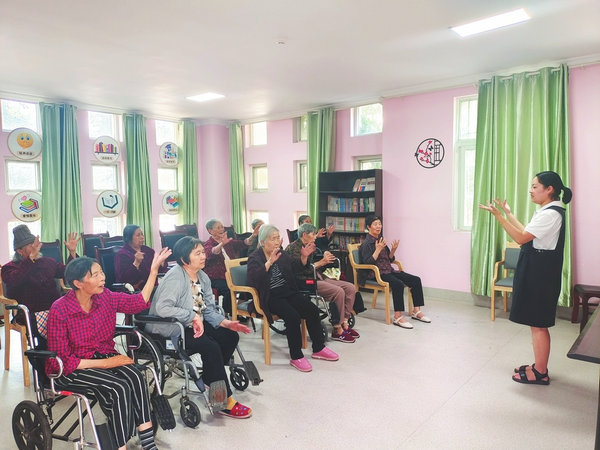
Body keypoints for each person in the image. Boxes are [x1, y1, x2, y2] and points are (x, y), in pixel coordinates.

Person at [46, 248, 171, 450]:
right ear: (78, 283)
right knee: (117, 388)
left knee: (136, 377)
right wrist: (107, 363)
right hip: (72, 368)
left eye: (101, 273)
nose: (102, 278)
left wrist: (153, 271)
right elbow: (61, 360)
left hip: (103, 355)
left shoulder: (105, 297)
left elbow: (138, 302)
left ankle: (148, 443)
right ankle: (120, 446)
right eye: (95, 275)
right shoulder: (60, 309)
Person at [479, 171, 572, 385]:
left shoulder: (550, 214)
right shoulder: (548, 211)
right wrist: (508, 214)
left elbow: (521, 238)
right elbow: (528, 233)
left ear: (549, 189)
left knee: (538, 324)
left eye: (535, 186)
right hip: (539, 271)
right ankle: (539, 366)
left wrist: (499, 217)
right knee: (535, 323)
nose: (530, 190)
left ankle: (540, 373)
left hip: (541, 274)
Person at [147, 236, 253, 418]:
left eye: (203, 252)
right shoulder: (175, 277)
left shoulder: (203, 277)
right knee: (210, 347)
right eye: (197, 253)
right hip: (172, 328)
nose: (203, 256)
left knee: (230, 337)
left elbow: (208, 309)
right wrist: (192, 316)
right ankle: (222, 400)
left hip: (193, 323)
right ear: (184, 259)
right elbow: (162, 308)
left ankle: (210, 378)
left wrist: (226, 323)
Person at [247, 224, 339, 372]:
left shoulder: (281, 253)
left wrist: (303, 257)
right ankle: (296, 356)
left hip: (286, 291)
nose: (277, 242)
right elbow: (254, 279)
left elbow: (295, 267)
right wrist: (269, 262)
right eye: (273, 239)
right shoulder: (255, 257)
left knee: (312, 310)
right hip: (269, 296)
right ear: (263, 242)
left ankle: (318, 348)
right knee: (293, 317)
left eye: (278, 238)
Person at [285, 222, 359, 342]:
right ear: (304, 234)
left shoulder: (310, 245)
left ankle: (344, 322)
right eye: (313, 234)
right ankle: (337, 329)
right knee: (338, 291)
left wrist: (325, 254)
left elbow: (318, 258)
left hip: (318, 276)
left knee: (350, 287)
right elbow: (298, 270)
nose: (316, 236)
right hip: (304, 281)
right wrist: (320, 263)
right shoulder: (293, 248)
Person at [359, 215, 430, 329]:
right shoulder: (366, 244)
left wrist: (392, 250)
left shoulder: (380, 240)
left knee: (416, 280)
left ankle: (416, 311)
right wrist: (378, 249)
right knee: (398, 284)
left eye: (379, 224)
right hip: (375, 274)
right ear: (368, 227)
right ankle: (397, 316)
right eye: (375, 224)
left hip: (388, 270)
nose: (378, 226)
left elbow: (390, 259)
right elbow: (368, 263)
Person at [2, 225, 79, 323]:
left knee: (76, 316)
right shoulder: (9, 268)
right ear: (20, 251)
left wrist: (72, 252)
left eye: (35, 244)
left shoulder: (47, 261)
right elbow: (15, 280)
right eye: (31, 245)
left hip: (55, 308)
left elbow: (67, 272)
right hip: (30, 313)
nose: (36, 247)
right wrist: (30, 259)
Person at [203, 219, 258, 315]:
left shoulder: (228, 241)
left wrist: (253, 235)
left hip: (231, 274)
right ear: (210, 231)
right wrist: (222, 244)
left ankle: (239, 309)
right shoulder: (208, 244)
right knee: (229, 288)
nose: (222, 229)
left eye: (222, 227)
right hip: (216, 277)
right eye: (218, 227)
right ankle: (228, 313)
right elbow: (212, 252)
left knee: (249, 281)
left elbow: (244, 243)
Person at [115, 224, 168, 289]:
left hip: (152, 286)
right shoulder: (122, 254)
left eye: (142, 234)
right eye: (138, 235)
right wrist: (136, 263)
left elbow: (159, 271)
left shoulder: (148, 251)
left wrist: (161, 261)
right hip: (133, 290)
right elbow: (125, 279)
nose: (142, 237)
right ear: (129, 238)